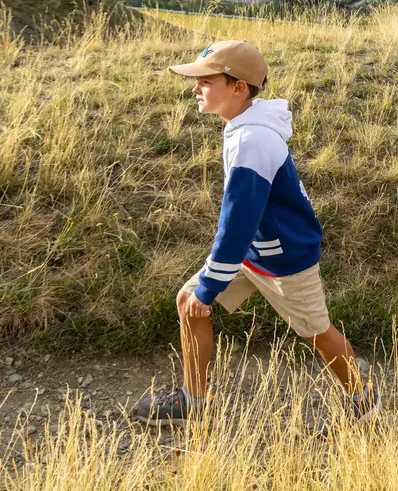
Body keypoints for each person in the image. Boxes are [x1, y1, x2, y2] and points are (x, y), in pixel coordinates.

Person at [134, 39, 375, 422]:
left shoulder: (252, 139)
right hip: (255, 250)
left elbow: (238, 220)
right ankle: (191, 403)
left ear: (238, 87)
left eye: (205, 81)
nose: (195, 89)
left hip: (284, 258)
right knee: (188, 302)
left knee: (316, 332)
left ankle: (363, 398)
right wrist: (208, 284)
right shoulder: (244, 124)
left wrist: (211, 287)